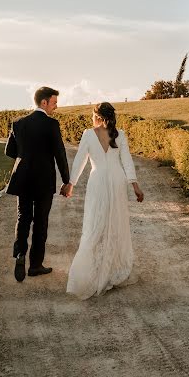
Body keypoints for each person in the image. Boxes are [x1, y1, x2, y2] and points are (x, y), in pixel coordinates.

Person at [65, 102, 144, 300]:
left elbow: (80, 160)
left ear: (97, 116)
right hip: (117, 181)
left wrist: (71, 183)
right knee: (115, 221)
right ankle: (113, 269)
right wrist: (134, 185)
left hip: (98, 181)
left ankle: (96, 268)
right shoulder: (120, 134)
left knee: (95, 222)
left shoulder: (88, 134)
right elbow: (126, 161)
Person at [5, 86, 74, 282]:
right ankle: (35, 265)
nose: (56, 107)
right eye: (54, 103)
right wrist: (67, 180)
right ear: (44, 102)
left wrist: (25, 155)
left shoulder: (18, 123)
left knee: (23, 217)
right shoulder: (51, 124)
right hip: (44, 179)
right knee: (41, 221)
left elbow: (9, 151)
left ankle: (20, 254)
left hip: (23, 177)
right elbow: (60, 154)